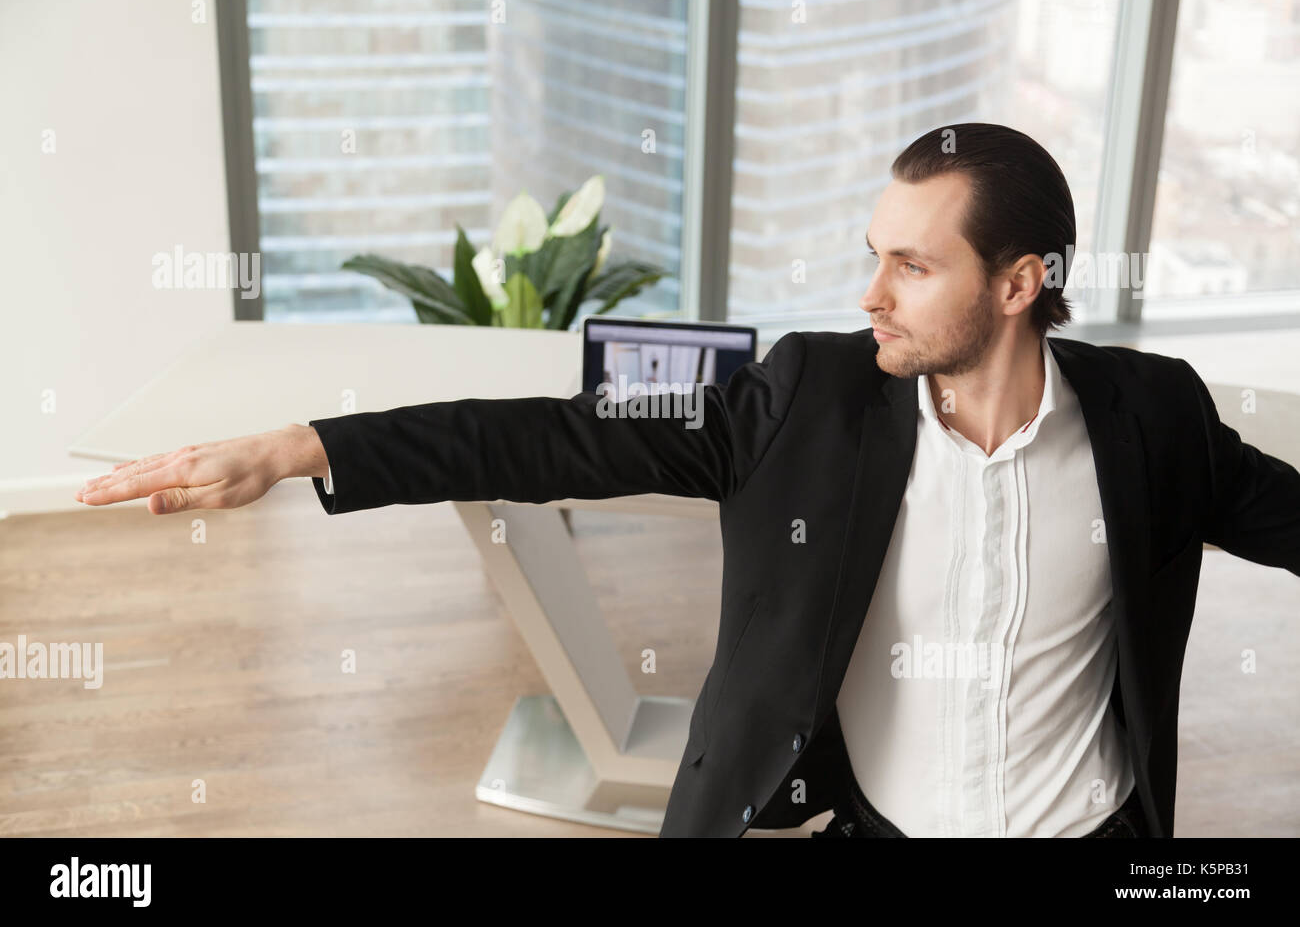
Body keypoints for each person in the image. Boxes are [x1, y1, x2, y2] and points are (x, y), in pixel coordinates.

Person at [76, 123, 1300, 837]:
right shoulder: (804, 399)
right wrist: (295, 448)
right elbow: (547, 434)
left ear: (1020, 281)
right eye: (872, 256)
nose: (868, 293)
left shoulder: (1155, 420)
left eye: (912, 267)